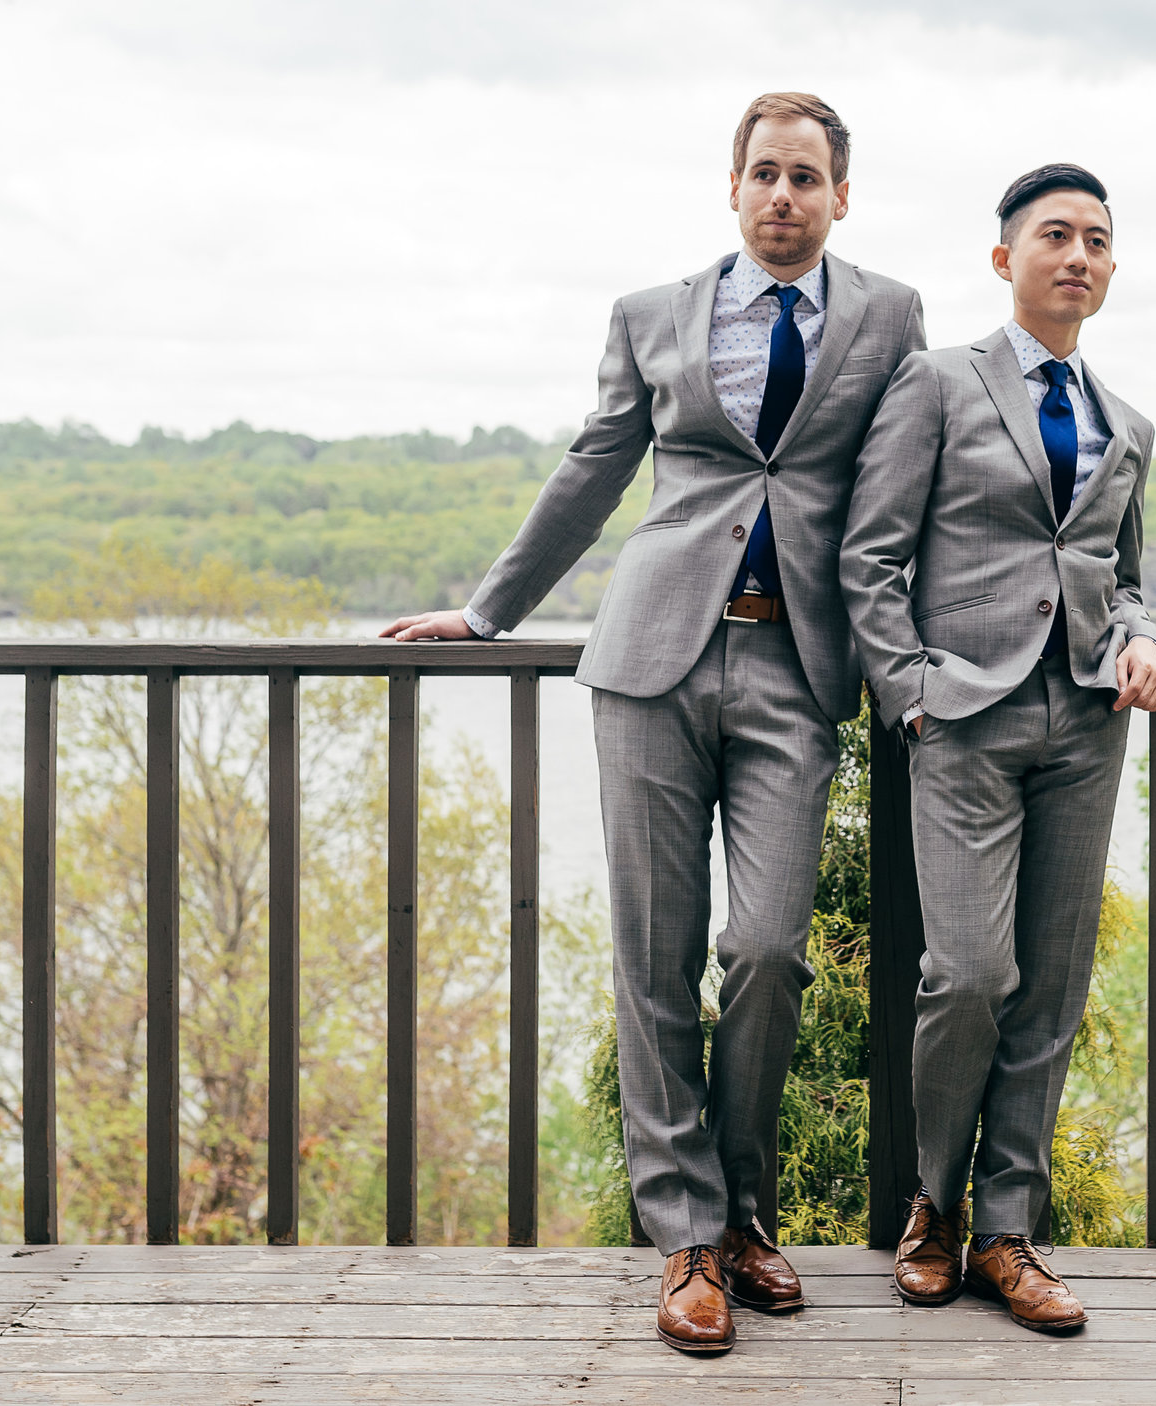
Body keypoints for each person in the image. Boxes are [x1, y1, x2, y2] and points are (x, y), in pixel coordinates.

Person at [381, 92, 925, 1357]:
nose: (783, 197)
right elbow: (593, 466)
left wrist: (927, 652)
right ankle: (688, 1234)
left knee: (769, 948)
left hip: (797, 668)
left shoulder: (891, 316)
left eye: (807, 178)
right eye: (764, 175)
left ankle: (740, 1207)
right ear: (731, 187)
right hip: (650, 663)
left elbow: (908, 484)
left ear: (842, 196)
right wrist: (488, 609)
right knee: (653, 956)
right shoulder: (652, 315)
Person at [841, 162, 1156, 1334]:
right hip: (962, 723)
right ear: (1004, 259)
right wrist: (911, 693)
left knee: (1052, 988)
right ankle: (932, 1201)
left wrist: (1138, 636)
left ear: (1110, 268)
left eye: (1095, 240)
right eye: (1053, 236)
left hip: (1084, 723)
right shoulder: (936, 385)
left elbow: (1120, 576)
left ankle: (1007, 1232)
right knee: (967, 973)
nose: (1076, 255)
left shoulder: (1125, 424)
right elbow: (869, 556)